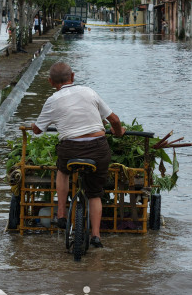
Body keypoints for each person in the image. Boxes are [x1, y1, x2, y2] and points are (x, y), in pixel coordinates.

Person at [32, 62, 124, 248]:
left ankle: (61, 214)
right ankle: (96, 236)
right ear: (72, 77)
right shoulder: (89, 92)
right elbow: (114, 119)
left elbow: (37, 130)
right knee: (95, 193)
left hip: (71, 149)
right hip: (98, 148)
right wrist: (118, 132)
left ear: (51, 82)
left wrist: (38, 126)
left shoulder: (52, 100)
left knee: (63, 169)